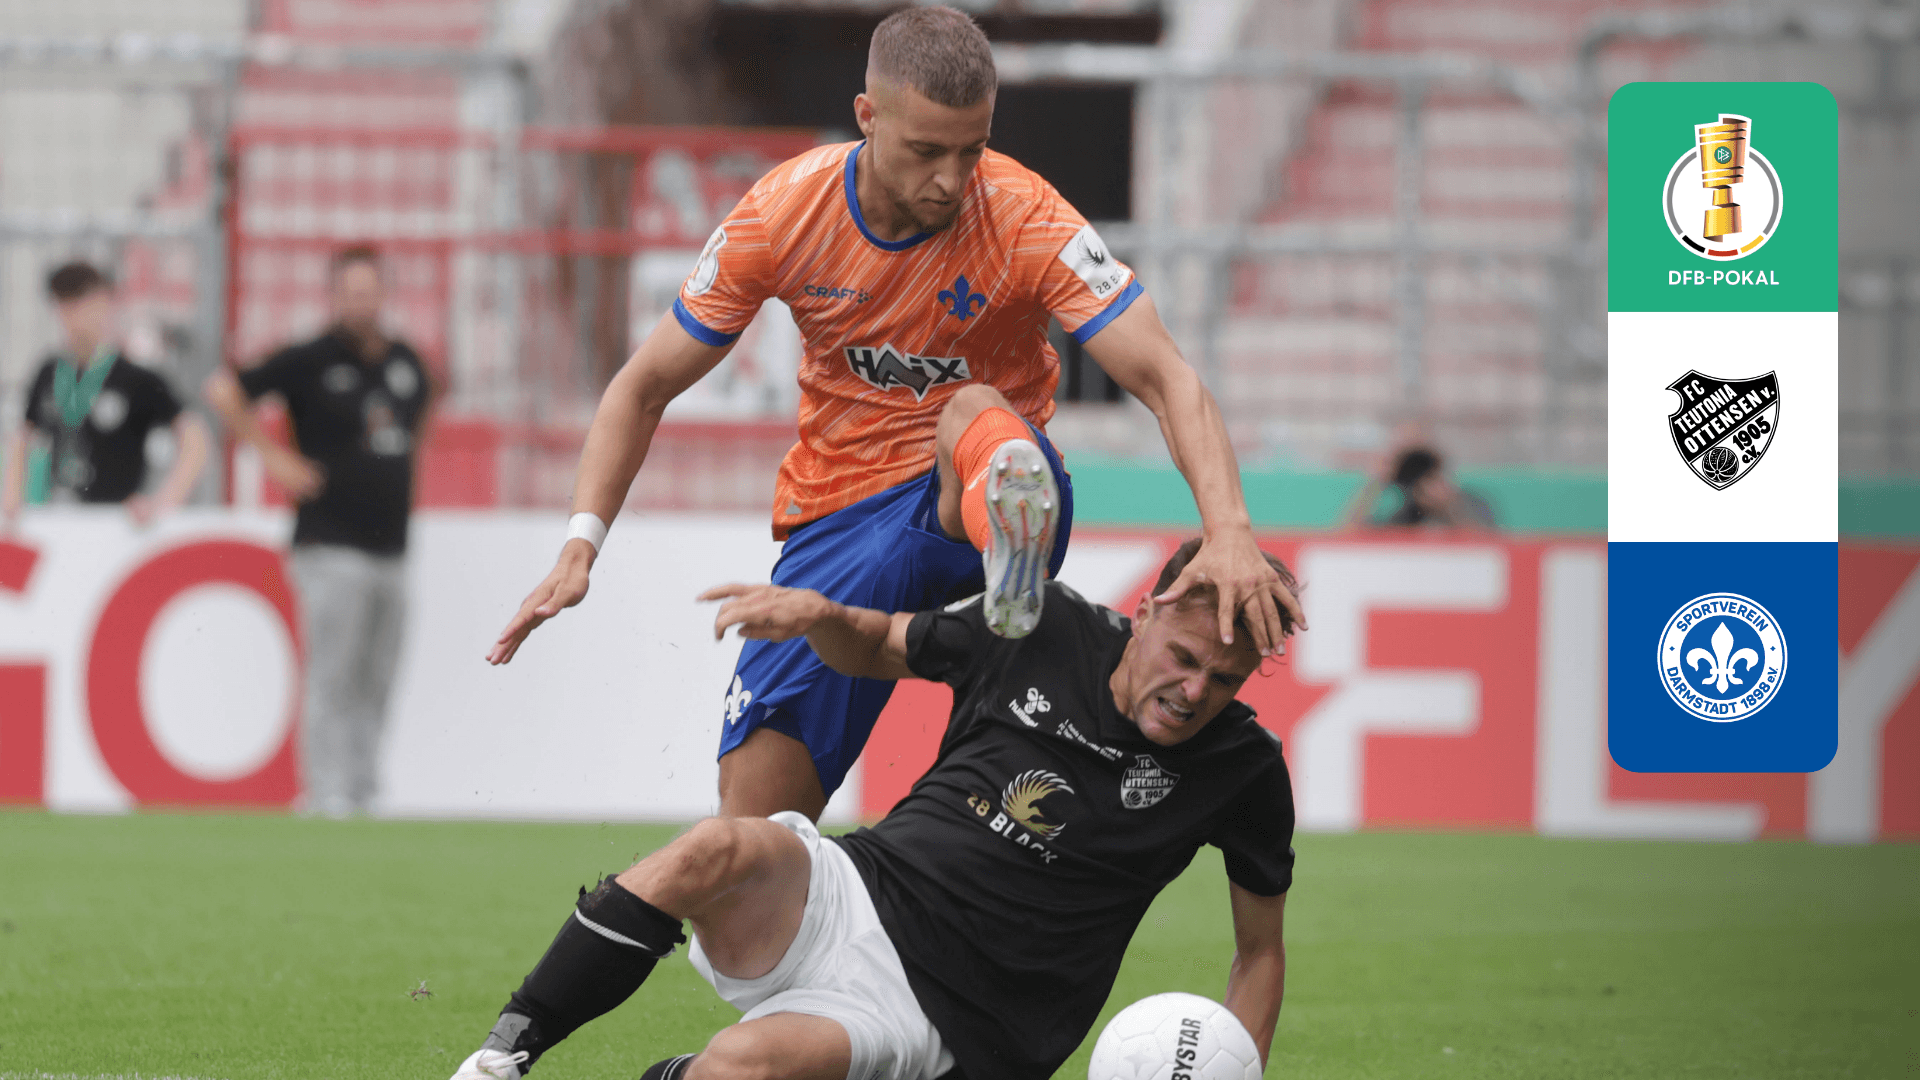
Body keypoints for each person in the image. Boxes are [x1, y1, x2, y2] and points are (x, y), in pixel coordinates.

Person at [486, 5, 1305, 823]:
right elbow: (642, 386)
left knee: (973, 410)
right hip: (844, 521)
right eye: (925, 151)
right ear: (867, 117)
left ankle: (1010, 572)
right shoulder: (782, 214)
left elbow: (1166, 376)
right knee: (752, 832)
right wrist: (581, 543)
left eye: (971, 150)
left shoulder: (1026, 216)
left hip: (978, 498)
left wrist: (1229, 530)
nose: (951, 179)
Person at [450, 538, 1296, 1080]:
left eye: (1223, 680)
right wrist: (823, 617)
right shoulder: (1042, 622)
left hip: (952, 1018)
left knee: (738, 1067)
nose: (1195, 692)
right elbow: (881, 643)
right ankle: (498, 1059)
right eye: (1184, 658)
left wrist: (1240, 1065)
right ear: (1145, 612)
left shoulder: (1245, 768)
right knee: (713, 849)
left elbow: (1260, 951)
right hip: (857, 887)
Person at [205, 245, 437, 818]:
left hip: (392, 548)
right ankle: (325, 791)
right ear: (335, 297)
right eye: (350, 293)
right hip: (330, 543)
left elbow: (419, 420)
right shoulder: (310, 358)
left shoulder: (406, 362)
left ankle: (363, 790)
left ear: (384, 295)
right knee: (333, 673)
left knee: (376, 677)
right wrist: (272, 457)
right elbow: (224, 390)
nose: (361, 303)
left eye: (369, 292)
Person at [1, 261, 209, 528]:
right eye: (65, 304)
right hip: (57, 519)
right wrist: (12, 492)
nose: (72, 314)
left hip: (115, 525)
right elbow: (24, 435)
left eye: (81, 302)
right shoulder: (49, 372)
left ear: (105, 303)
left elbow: (195, 440)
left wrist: (163, 503)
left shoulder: (136, 378)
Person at [1344, 443, 1495, 531]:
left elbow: (1488, 546)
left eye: (1433, 477)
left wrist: (1449, 506)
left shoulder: (1472, 504)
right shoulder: (1405, 518)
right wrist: (1376, 484)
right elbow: (1349, 536)